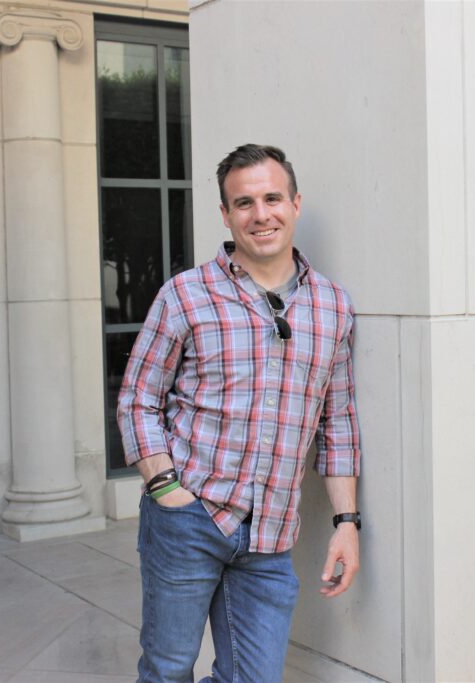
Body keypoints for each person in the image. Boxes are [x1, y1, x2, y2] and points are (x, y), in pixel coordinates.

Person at [117, 143, 362, 683]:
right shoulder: (186, 294)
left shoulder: (333, 306)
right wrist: (165, 488)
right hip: (189, 518)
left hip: (271, 534)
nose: (261, 214)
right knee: (167, 670)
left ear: (296, 203)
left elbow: (338, 422)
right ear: (226, 216)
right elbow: (137, 397)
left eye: (272, 198)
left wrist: (346, 522)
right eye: (244, 203)